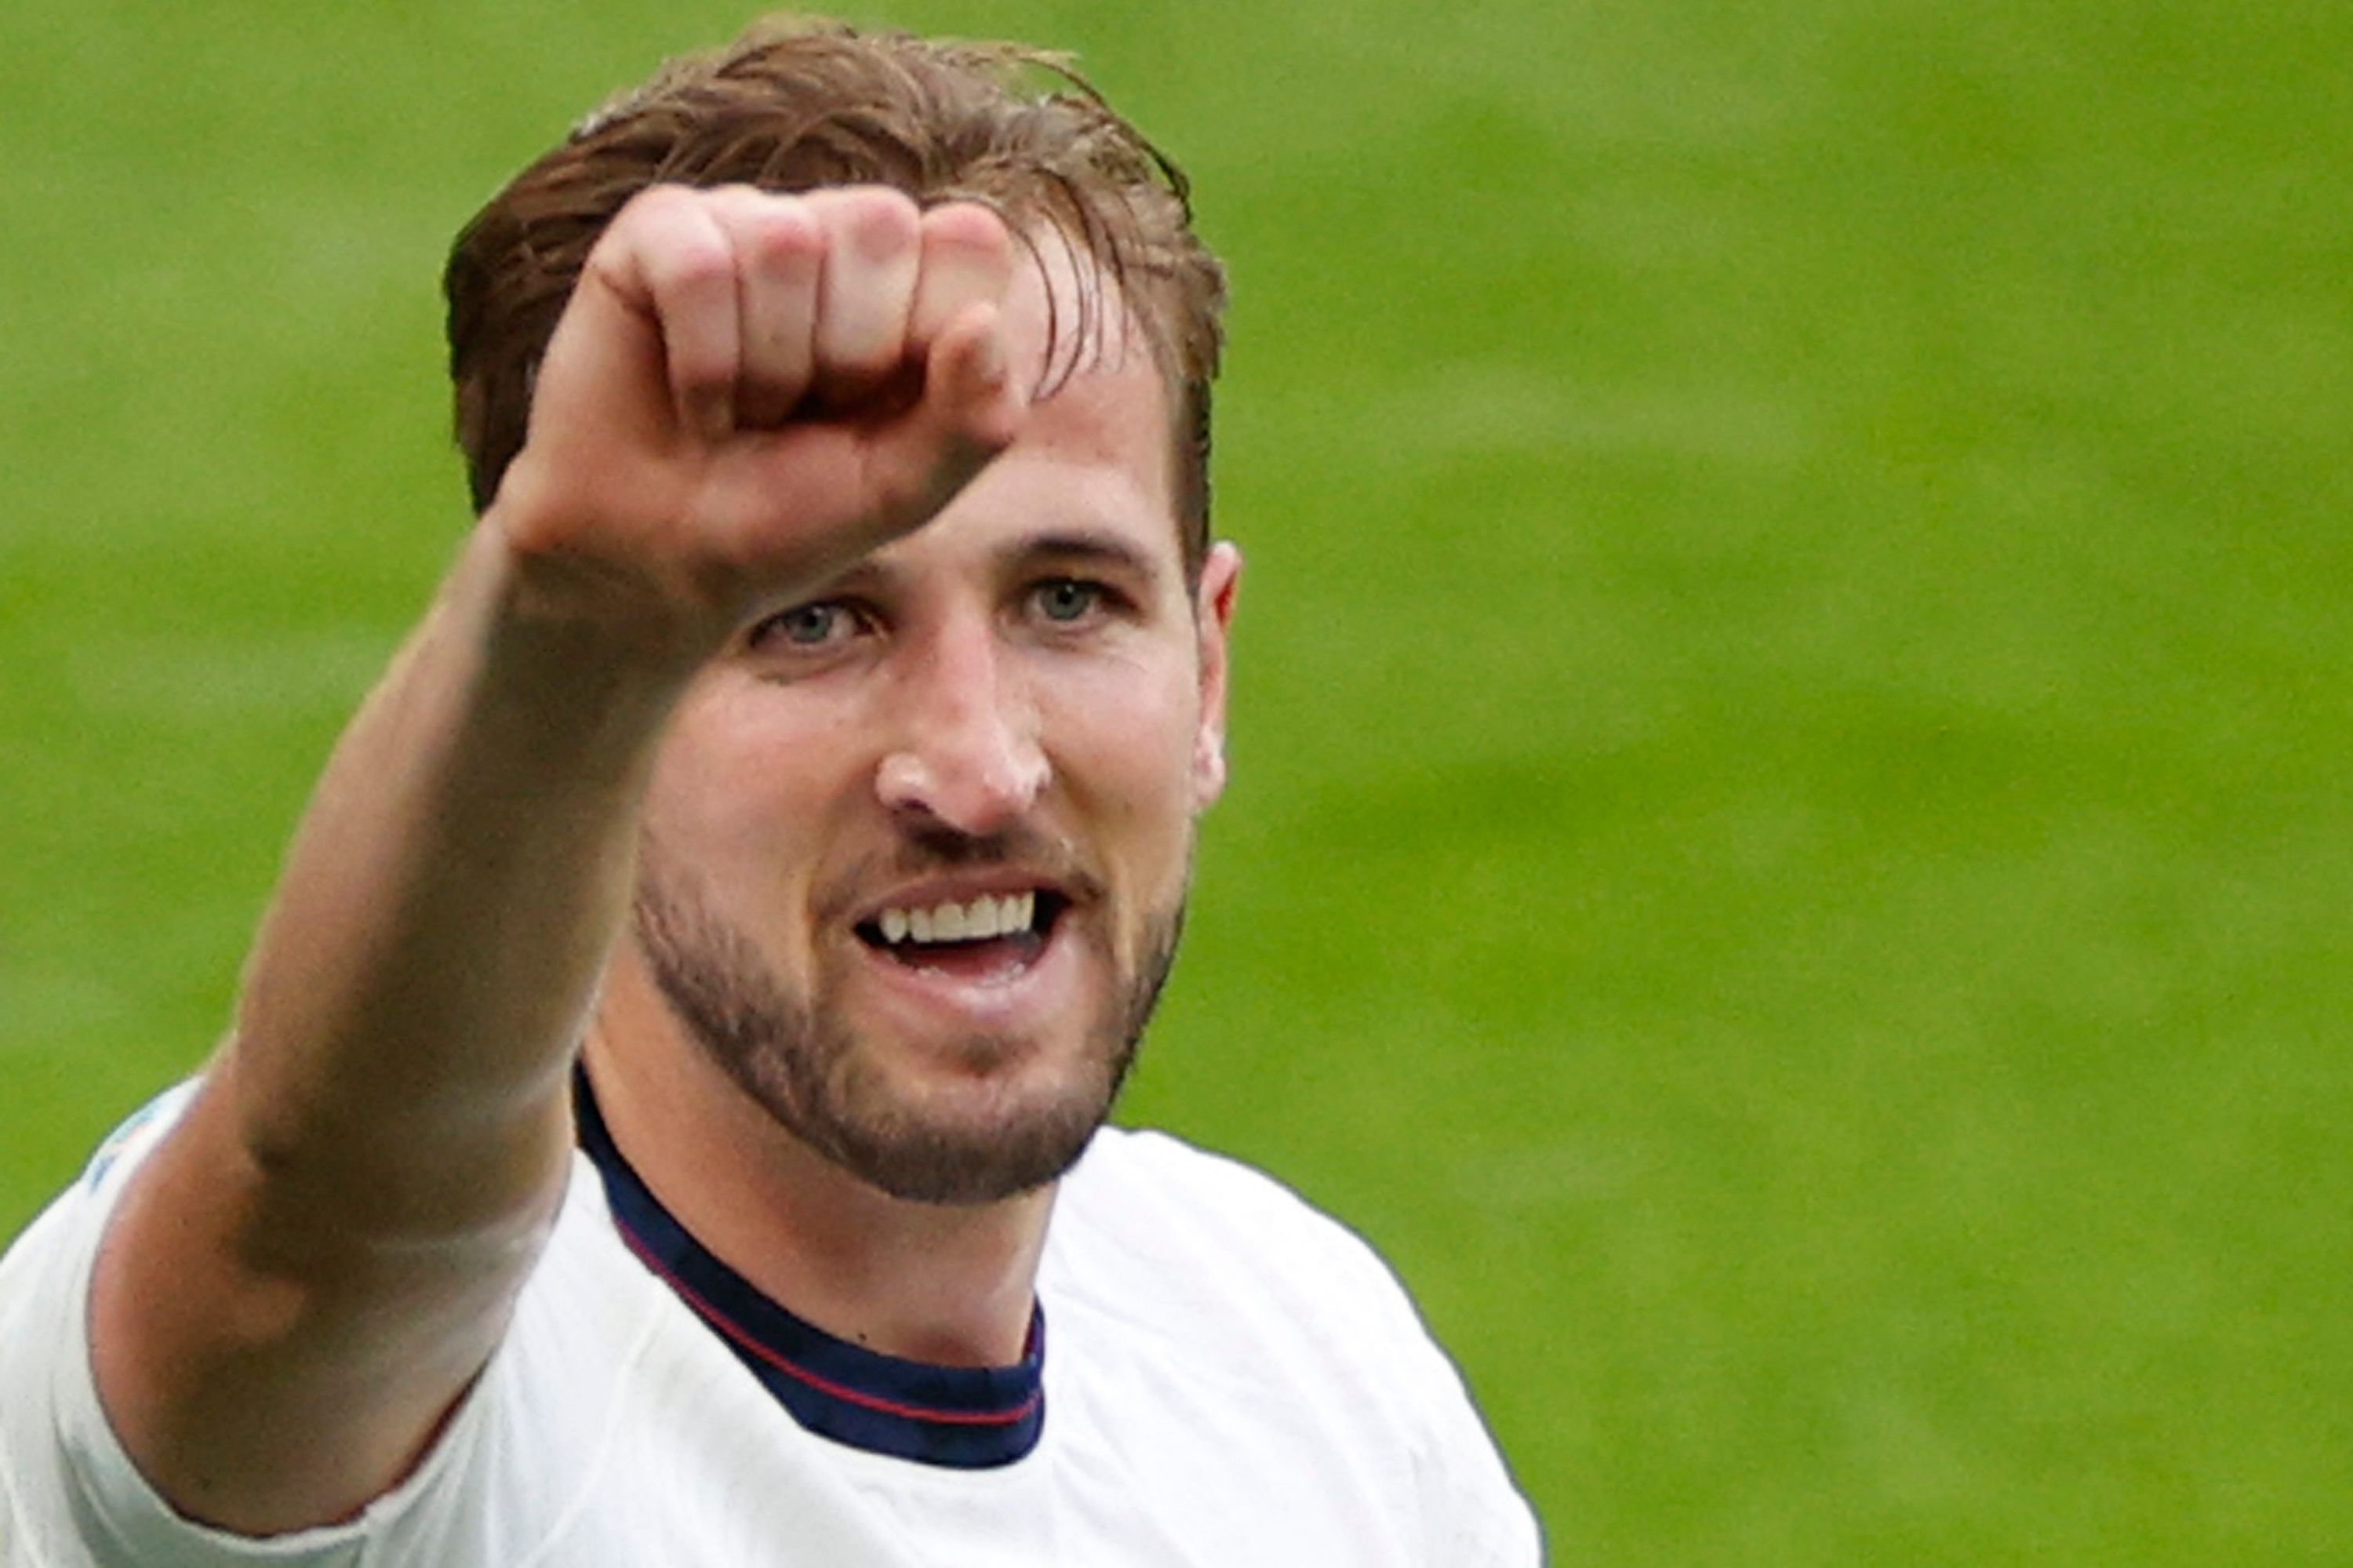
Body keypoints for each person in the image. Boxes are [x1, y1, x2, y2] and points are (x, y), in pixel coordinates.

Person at [0, 16, 1542, 1565]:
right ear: (599, 724)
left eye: (1067, 599)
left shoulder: (1308, 1368)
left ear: (1205, 672)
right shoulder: (428, 1413)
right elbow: (318, 1222)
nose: (978, 767)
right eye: (810, 619)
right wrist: (573, 615)